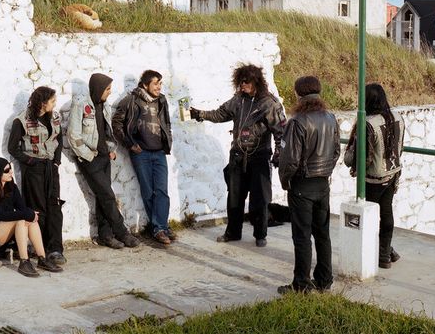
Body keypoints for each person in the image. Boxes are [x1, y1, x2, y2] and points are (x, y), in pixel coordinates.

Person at [190, 63, 286, 247]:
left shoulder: (269, 103)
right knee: (234, 196)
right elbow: (221, 114)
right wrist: (200, 114)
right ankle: (233, 232)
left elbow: (281, 131)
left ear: (256, 81)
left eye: (246, 81)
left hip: (259, 156)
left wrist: (279, 153)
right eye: (240, 82)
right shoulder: (238, 100)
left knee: (259, 199)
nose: (243, 85)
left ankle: (260, 234)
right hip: (237, 155)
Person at [61, 73, 141, 250]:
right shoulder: (80, 105)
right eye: (107, 89)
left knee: (102, 196)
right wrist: (88, 155)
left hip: (105, 157)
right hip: (89, 159)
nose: (109, 92)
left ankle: (105, 235)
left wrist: (110, 149)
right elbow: (73, 135)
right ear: (98, 88)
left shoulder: (104, 106)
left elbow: (106, 131)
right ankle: (122, 232)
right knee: (108, 195)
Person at [276, 76, 341, 293]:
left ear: (298, 94)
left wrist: (286, 182)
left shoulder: (297, 121)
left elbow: (289, 160)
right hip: (323, 184)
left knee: (302, 237)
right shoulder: (331, 118)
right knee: (322, 234)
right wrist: (325, 172)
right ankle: (324, 280)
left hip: (302, 185)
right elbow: (336, 151)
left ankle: (301, 285)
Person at [344, 83, 405, 269]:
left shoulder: (368, 124)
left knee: (368, 217)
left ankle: (376, 253)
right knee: (386, 213)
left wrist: (349, 157)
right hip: (393, 173)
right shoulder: (397, 117)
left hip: (373, 178)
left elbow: (359, 159)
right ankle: (385, 254)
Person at [112, 70, 175, 245]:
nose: (159, 87)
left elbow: (166, 123)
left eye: (160, 83)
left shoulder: (162, 100)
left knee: (162, 191)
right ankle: (159, 226)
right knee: (148, 191)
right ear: (145, 84)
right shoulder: (131, 100)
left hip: (159, 152)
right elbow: (116, 123)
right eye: (156, 83)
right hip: (141, 153)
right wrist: (129, 144)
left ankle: (160, 227)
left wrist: (167, 139)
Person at [0, 155, 63, 277]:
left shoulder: (12, 187)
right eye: (6, 170)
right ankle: (24, 261)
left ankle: (42, 259)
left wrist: (30, 214)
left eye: (10, 168)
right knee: (22, 219)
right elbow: (0, 215)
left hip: (5, 230)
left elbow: (22, 209)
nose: (11, 172)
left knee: (30, 220)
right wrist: (28, 214)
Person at [7, 86, 66, 265]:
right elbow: (12, 148)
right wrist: (30, 162)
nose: (55, 104)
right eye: (52, 101)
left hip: (50, 168)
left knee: (54, 206)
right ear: (42, 103)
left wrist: (56, 161)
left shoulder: (55, 117)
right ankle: (40, 250)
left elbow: (59, 138)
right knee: (37, 208)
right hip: (33, 170)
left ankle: (55, 249)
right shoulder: (22, 121)